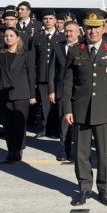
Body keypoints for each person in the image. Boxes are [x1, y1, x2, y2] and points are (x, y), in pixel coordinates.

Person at [64, 9, 107, 207]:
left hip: (105, 110)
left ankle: (103, 189)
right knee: (81, 153)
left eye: (96, 27)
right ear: (84, 28)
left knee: (104, 154)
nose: (93, 32)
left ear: (104, 27)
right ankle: (84, 188)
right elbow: (67, 83)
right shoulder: (75, 50)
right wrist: (67, 108)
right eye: (89, 28)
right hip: (80, 109)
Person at [0, 28, 36, 163]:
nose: (8, 38)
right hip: (4, 93)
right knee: (7, 124)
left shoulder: (26, 54)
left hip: (21, 93)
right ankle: (10, 149)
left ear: (18, 37)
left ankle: (19, 149)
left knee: (19, 123)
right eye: (6, 36)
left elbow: (31, 75)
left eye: (11, 35)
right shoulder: (0, 54)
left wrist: (32, 95)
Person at [48, 21, 84, 161]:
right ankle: (64, 148)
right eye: (66, 31)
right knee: (64, 120)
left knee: (80, 122)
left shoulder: (84, 46)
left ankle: (80, 150)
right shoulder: (58, 47)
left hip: (81, 90)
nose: (68, 34)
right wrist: (51, 90)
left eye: (71, 31)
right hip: (62, 89)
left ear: (78, 33)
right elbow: (51, 70)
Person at [32, 9, 66, 139]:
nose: (48, 21)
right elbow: (33, 58)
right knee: (45, 105)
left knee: (58, 105)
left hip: (58, 77)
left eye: (50, 18)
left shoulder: (61, 36)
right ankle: (45, 128)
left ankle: (58, 129)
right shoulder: (37, 36)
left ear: (56, 20)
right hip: (41, 76)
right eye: (45, 19)